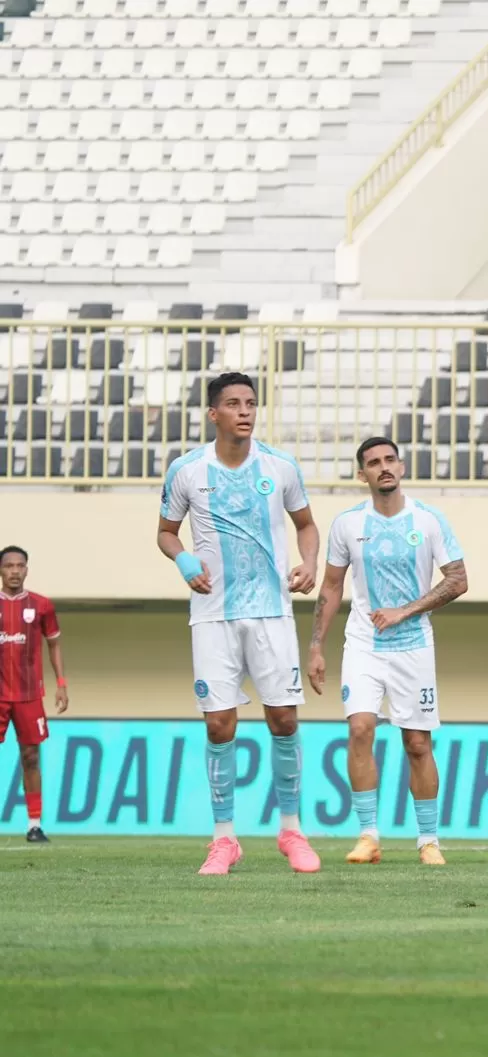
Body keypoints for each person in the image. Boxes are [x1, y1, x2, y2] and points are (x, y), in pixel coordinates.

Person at [156, 371, 321, 876]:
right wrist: (182, 560)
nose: (245, 411)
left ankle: (291, 830)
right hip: (212, 615)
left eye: (250, 402)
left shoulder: (280, 466)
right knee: (219, 724)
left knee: (284, 721)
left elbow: (307, 525)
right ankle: (224, 839)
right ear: (214, 414)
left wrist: (309, 562)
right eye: (233, 403)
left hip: (271, 612)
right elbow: (166, 532)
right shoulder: (186, 470)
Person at [306, 437, 468, 867]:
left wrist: (406, 611)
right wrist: (317, 647)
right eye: (373, 463)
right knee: (360, 729)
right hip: (363, 644)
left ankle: (428, 840)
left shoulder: (429, 520)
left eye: (390, 459)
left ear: (401, 465)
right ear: (362, 474)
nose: (384, 467)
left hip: (414, 647)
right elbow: (332, 586)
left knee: (417, 743)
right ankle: (368, 835)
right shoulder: (347, 524)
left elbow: (458, 579)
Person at [0, 546, 67, 843]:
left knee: (30, 756)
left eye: (20, 565)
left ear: (27, 569)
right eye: (9, 566)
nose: (14, 571)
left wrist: (61, 683)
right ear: (1, 571)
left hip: (29, 695)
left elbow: (53, 644)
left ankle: (34, 824)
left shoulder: (41, 605)